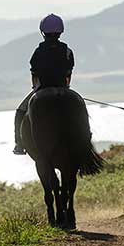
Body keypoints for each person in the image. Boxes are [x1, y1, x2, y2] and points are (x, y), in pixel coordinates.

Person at [13, 13, 75, 155]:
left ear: (43, 32)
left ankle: (19, 144)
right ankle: (86, 137)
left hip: (42, 88)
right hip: (63, 89)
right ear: (60, 31)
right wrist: (66, 88)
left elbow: (34, 74)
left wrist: (36, 88)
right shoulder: (67, 51)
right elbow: (68, 73)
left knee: (20, 112)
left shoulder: (38, 52)